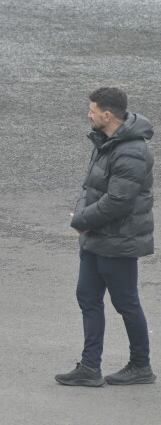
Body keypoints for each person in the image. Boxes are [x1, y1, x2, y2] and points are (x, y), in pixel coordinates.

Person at [56, 87, 156, 387]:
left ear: (107, 115)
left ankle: (141, 365)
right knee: (87, 297)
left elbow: (118, 201)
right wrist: (81, 218)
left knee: (126, 303)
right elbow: (89, 187)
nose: (89, 114)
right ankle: (90, 367)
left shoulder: (133, 151)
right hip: (96, 236)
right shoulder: (107, 141)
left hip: (119, 240)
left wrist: (82, 221)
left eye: (92, 110)